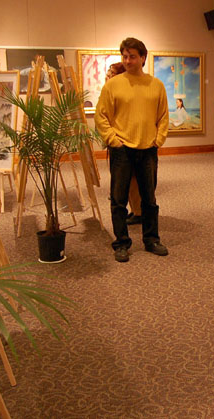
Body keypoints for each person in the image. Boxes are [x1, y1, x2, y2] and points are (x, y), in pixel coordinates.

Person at [95, 37, 169, 262]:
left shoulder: (156, 85)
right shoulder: (113, 85)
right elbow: (101, 116)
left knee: (149, 199)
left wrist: (158, 139)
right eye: (125, 56)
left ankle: (151, 239)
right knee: (118, 200)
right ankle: (121, 243)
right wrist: (113, 140)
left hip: (148, 150)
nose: (127, 61)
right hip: (122, 150)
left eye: (133, 57)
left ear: (143, 58)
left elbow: (163, 116)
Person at [104, 61, 142, 226]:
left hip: (129, 142)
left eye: (111, 73)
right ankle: (134, 210)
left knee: (133, 179)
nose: (108, 76)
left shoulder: (128, 93)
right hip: (118, 141)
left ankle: (139, 212)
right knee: (125, 179)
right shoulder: (112, 92)